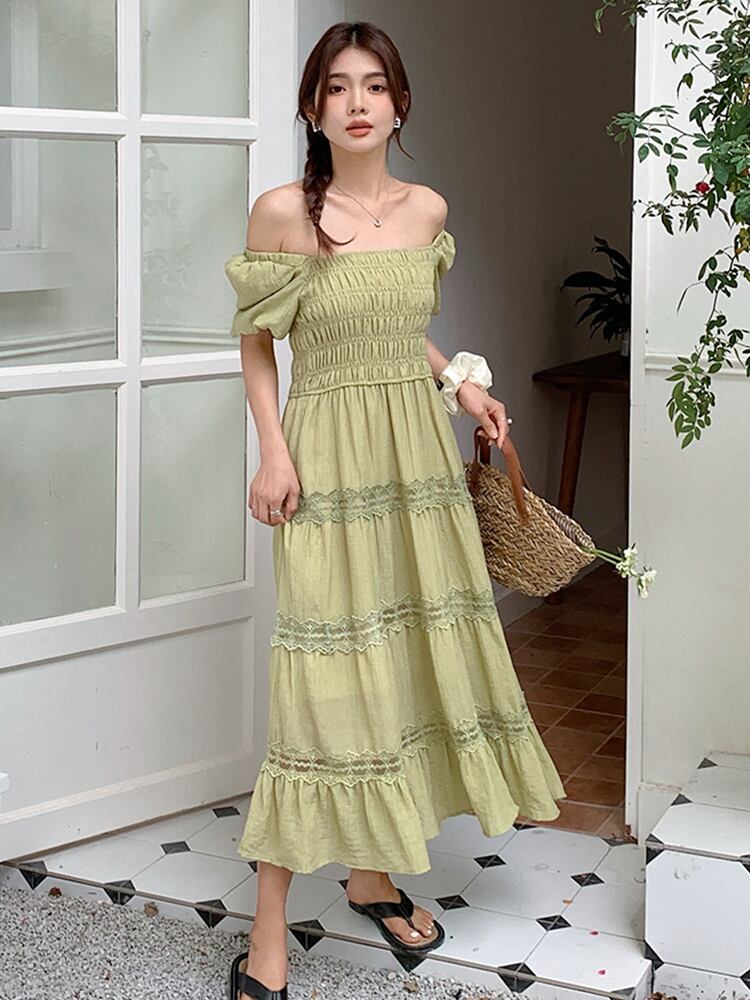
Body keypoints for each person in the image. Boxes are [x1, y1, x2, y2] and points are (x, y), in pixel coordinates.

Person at [223, 21, 566, 1000]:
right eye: (337, 86)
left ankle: (371, 873)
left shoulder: (426, 211)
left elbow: (400, 327)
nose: (358, 102)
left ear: (400, 103)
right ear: (314, 106)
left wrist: (461, 382)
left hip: (415, 461)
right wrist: (273, 451)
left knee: (401, 659)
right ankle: (268, 928)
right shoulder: (282, 212)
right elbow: (259, 342)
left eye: (375, 85)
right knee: (321, 683)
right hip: (327, 460)